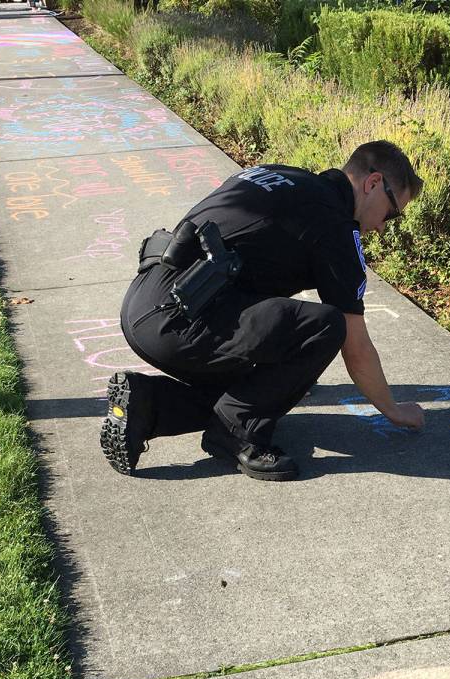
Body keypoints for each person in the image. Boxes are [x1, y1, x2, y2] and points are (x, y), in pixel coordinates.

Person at [100, 140, 425, 482]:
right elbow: (355, 346)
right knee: (326, 326)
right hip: (185, 319)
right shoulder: (335, 225)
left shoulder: (280, 175)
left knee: (259, 388)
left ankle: (147, 406)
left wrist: (280, 384)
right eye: (391, 213)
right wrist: (393, 409)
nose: (383, 227)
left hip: (144, 304)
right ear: (373, 183)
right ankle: (236, 432)